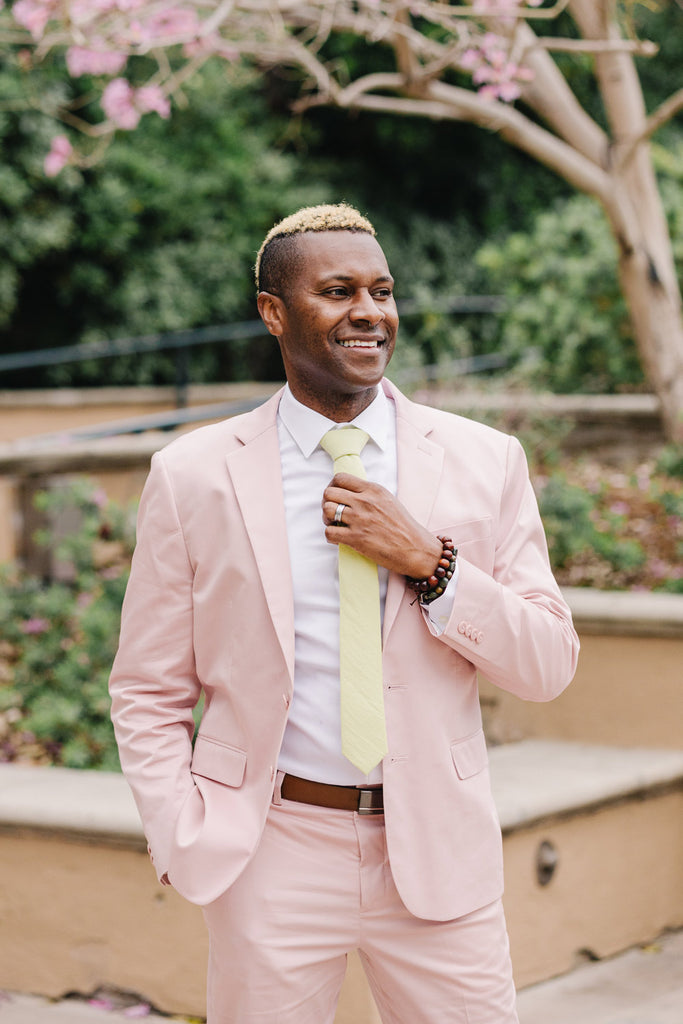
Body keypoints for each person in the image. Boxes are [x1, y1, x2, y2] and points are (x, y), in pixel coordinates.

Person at [109, 203, 579, 1024]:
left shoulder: (482, 459)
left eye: (382, 290)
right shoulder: (194, 476)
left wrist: (432, 564)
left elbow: (546, 663)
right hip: (269, 848)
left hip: (438, 848)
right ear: (273, 312)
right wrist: (181, 831)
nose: (369, 312)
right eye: (337, 291)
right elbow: (147, 687)